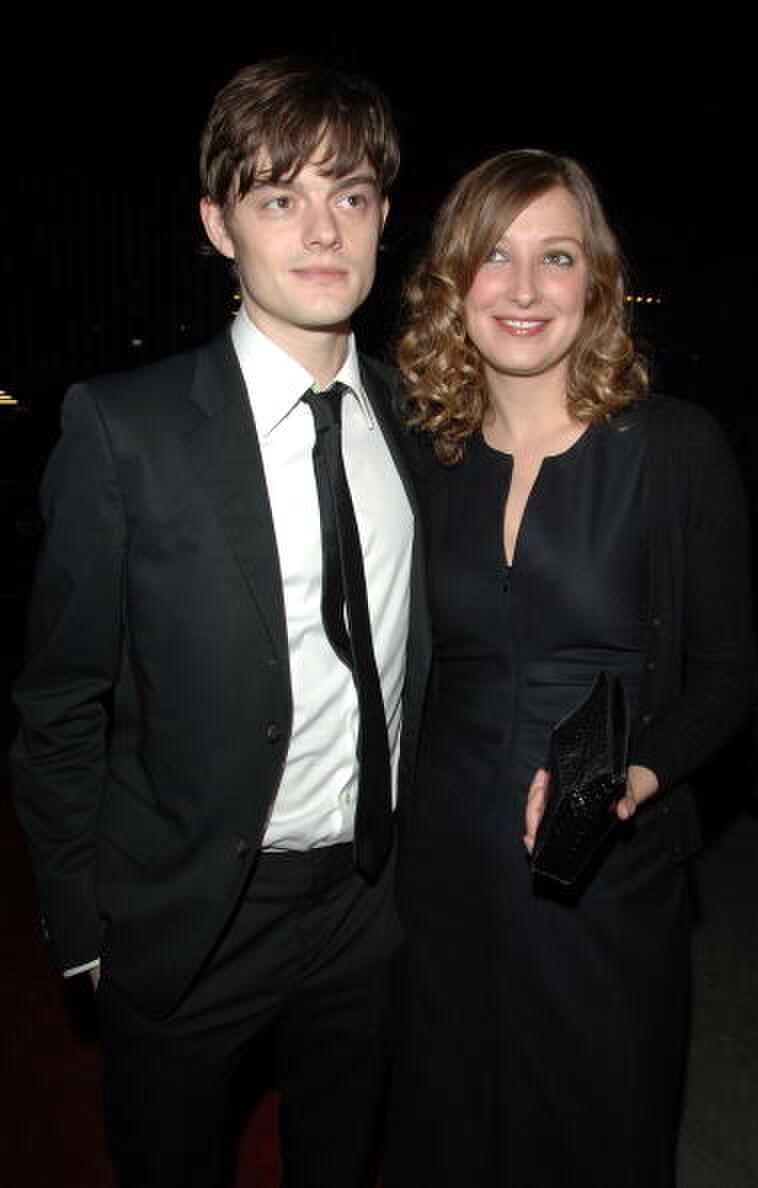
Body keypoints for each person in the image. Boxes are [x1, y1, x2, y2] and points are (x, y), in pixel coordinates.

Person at [12, 58, 430, 1188]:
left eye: (349, 195)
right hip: (192, 918)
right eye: (276, 196)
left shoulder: (419, 418)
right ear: (217, 223)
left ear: (385, 218)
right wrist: (88, 934)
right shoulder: (124, 429)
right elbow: (58, 703)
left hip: (369, 909)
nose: (321, 229)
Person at [385, 149, 758, 1188]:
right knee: (449, 1127)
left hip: (603, 872)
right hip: (442, 869)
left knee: (594, 1127)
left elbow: (727, 673)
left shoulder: (674, 449)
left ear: (593, 281)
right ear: (452, 282)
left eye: (554, 257)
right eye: (493, 256)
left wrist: (631, 776)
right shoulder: (426, 456)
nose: (521, 289)